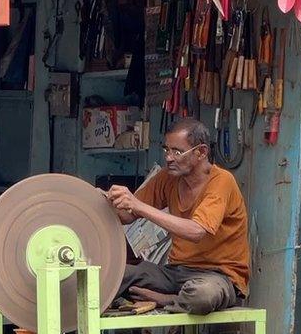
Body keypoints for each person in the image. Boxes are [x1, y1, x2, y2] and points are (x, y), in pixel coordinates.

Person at [105, 117, 250, 315]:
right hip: (175, 273)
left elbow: (196, 231)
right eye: (167, 150)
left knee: (202, 295)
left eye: (177, 152)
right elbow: (128, 215)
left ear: (201, 152)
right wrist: (107, 200)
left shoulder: (221, 181)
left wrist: (138, 206)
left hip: (219, 277)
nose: (169, 158)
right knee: (113, 275)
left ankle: (165, 300)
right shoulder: (168, 177)